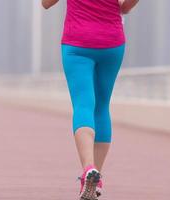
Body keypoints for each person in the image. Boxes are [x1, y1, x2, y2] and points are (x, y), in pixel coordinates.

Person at [41, 0, 139, 199]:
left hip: (77, 42)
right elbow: (127, 6)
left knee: (83, 104)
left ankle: (88, 169)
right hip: (112, 42)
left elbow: (46, 3)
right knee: (102, 107)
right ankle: (96, 180)